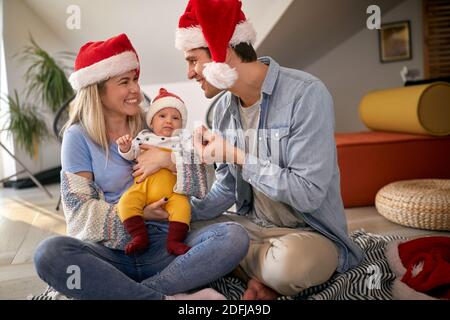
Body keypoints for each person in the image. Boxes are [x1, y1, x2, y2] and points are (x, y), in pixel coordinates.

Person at [33, 33, 249, 300]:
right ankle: (168, 294)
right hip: (112, 254)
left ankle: (127, 294)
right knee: (49, 253)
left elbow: (202, 184)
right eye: (124, 82)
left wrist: (169, 160)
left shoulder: (150, 124)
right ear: (97, 90)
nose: (136, 89)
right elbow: (79, 215)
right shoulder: (77, 137)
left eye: (135, 79)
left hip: (165, 244)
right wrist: (141, 214)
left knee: (233, 237)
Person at [175, 0, 364, 300]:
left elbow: (309, 193)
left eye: (192, 59)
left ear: (221, 51)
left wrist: (236, 156)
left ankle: (233, 262)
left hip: (308, 235)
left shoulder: (306, 94)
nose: (190, 73)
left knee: (292, 267)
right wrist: (179, 212)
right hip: (253, 228)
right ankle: (254, 272)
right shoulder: (223, 110)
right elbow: (227, 189)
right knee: (179, 228)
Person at [116, 88, 198, 256]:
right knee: (125, 203)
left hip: (174, 192)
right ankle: (139, 236)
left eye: (175, 118)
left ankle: (174, 241)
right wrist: (124, 147)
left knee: (183, 208)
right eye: (162, 116)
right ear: (151, 122)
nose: (169, 121)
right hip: (142, 187)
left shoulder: (182, 140)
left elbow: (193, 160)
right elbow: (132, 153)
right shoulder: (145, 137)